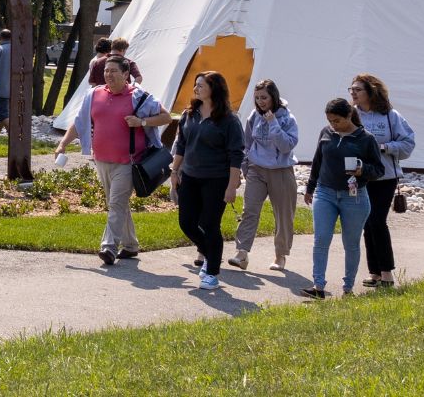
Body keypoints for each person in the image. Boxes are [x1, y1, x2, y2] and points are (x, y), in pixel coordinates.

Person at [55, 56, 171, 266]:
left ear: (126, 74)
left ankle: (108, 247)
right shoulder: (94, 94)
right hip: (101, 160)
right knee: (117, 203)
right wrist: (63, 144)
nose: (108, 74)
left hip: (128, 161)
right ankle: (131, 245)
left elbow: (166, 117)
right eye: (106, 71)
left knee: (116, 203)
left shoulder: (139, 97)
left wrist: (141, 121)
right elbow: (80, 122)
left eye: (113, 71)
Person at [302, 98, 385, 299]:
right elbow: (317, 161)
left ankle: (348, 288)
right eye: (330, 120)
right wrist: (310, 187)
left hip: (354, 197)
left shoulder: (366, 139)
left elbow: (379, 170)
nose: (333, 125)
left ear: (349, 116)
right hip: (325, 192)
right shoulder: (326, 133)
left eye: (337, 120)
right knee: (321, 238)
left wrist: (362, 169)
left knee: (351, 243)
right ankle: (318, 286)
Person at [170, 71, 245, 290]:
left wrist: (232, 186)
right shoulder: (189, 114)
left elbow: (236, 154)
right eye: (196, 85)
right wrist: (175, 171)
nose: (196, 88)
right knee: (186, 222)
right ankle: (213, 254)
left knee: (210, 224)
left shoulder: (229, 120)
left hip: (217, 179)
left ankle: (212, 273)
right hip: (190, 177)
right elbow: (182, 144)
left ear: (215, 89)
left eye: (201, 85)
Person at [348, 73, 415, 288]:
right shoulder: (351, 115)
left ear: (371, 91)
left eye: (358, 89)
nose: (353, 93)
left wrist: (384, 148)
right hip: (360, 176)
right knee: (366, 223)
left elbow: (408, 144)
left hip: (385, 177)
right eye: (352, 90)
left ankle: (387, 272)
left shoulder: (390, 116)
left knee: (377, 221)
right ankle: (375, 273)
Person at [231, 79, 300, 272]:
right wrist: (246, 166)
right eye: (257, 98)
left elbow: (286, 146)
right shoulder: (254, 116)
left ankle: (280, 255)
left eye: (264, 97)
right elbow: (247, 142)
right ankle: (242, 253)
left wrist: (273, 123)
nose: (260, 102)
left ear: (273, 97)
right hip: (256, 169)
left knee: (283, 215)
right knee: (250, 210)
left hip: (281, 171)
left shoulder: (287, 118)